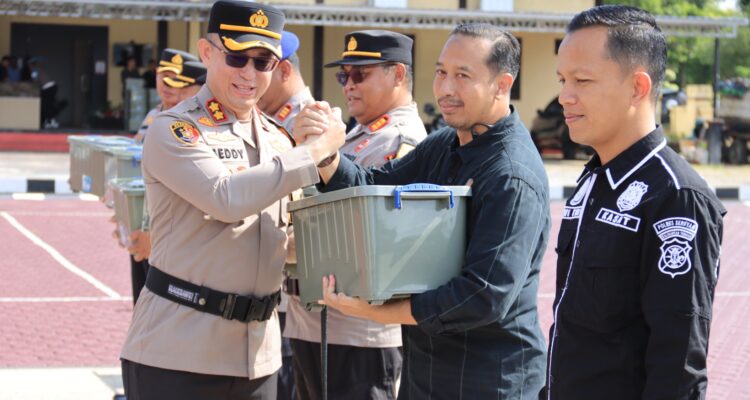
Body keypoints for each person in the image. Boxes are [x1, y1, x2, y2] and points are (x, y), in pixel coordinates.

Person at [294, 22, 549, 399]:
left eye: (463, 76)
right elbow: (372, 187)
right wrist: (326, 154)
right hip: (425, 373)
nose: (445, 88)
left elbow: (482, 295)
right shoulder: (444, 144)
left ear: (502, 84)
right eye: (441, 72)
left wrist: (374, 312)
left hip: (489, 381)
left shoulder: (511, 175)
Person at [120, 2, 341, 399]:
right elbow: (226, 198)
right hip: (180, 352)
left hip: (257, 357)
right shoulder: (176, 129)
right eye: (237, 57)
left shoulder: (279, 139)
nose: (249, 73)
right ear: (207, 52)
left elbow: (283, 238)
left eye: (263, 62)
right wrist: (314, 152)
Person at [545, 5, 726, 399]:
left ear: (637, 87)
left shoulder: (676, 197)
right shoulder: (594, 179)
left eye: (582, 80)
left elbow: (678, 370)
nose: (564, 96)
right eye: (562, 79)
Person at [285, 30, 426, 400]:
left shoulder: (401, 140)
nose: (348, 85)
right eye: (343, 75)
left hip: (358, 332)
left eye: (360, 74)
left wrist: (282, 243)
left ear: (398, 75)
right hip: (316, 323)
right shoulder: (356, 135)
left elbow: (378, 235)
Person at [255, 30, 313, 400]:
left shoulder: (307, 124)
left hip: (290, 295)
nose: (251, 76)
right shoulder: (268, 120)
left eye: (262, 65)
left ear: (285, 71)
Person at [123, 51, 204, 306]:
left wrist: (149, 229)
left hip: (166, 227)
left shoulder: (187, 122)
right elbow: (136, 159)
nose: (169, 87)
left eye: (177, 81)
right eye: (164, 77)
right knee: (142, 299)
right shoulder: (154, 115)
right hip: (143, 215)